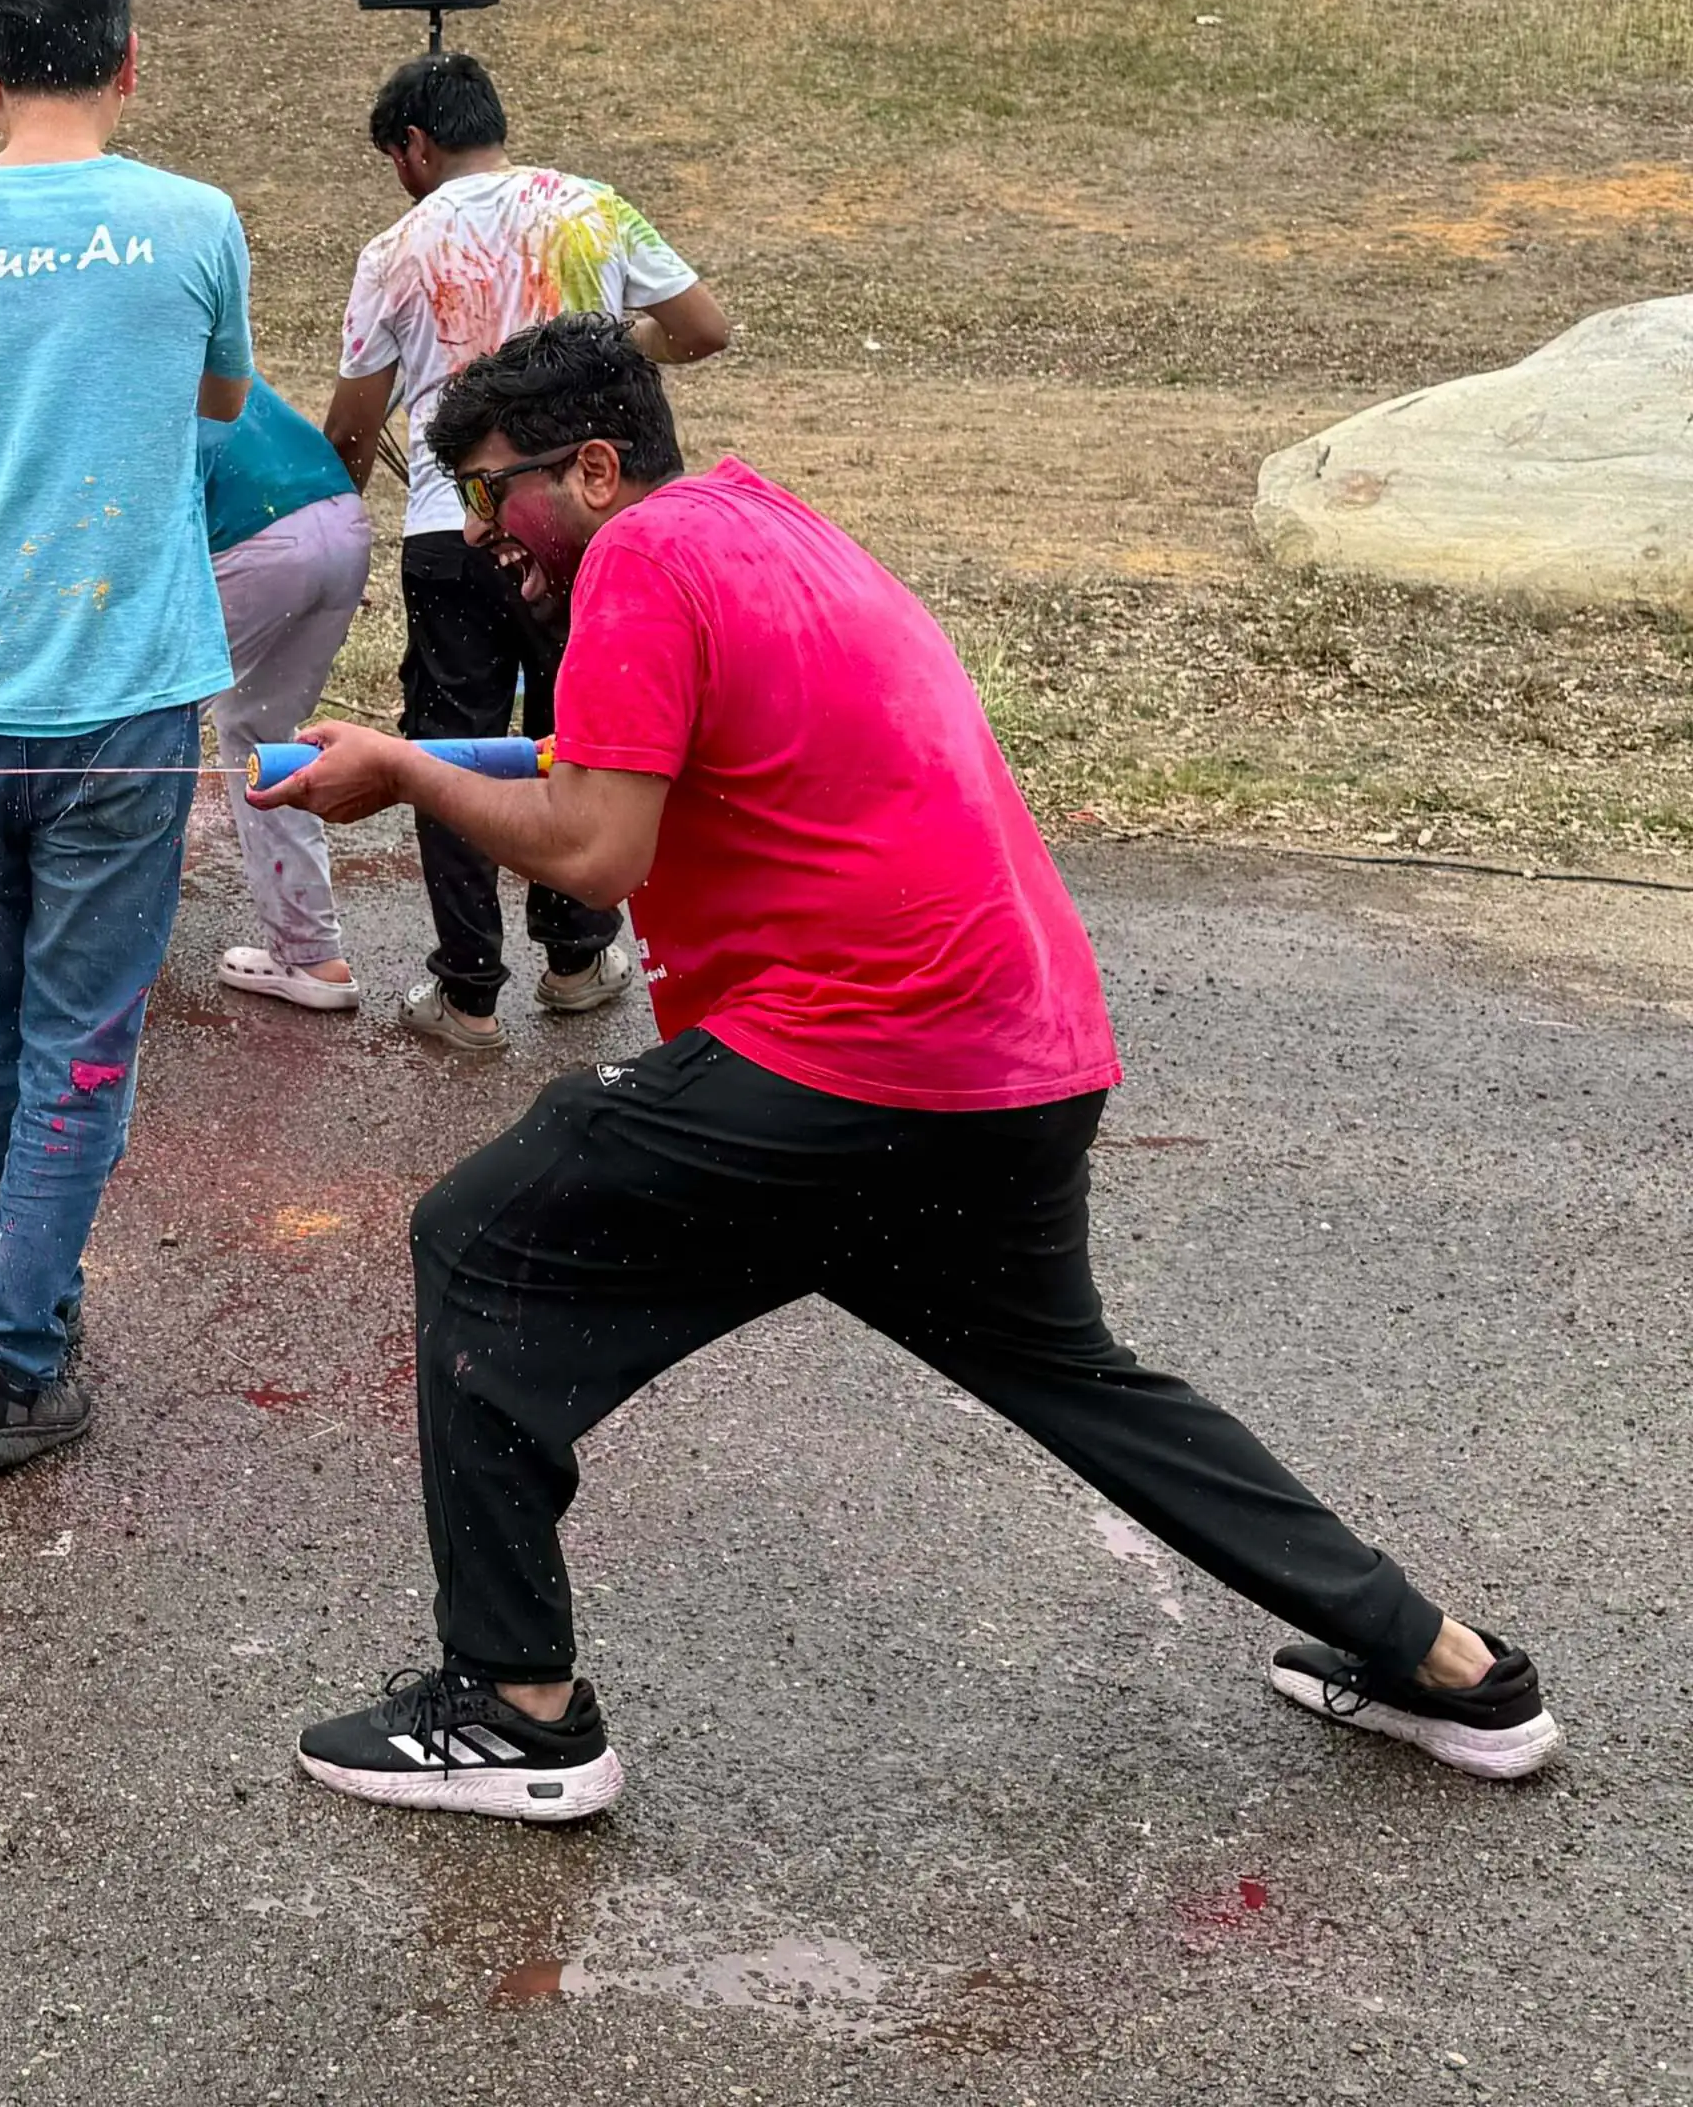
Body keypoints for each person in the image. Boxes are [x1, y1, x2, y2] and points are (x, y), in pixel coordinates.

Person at [271, 317, 1562, 1821]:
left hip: (859, 1059)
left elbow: (597, 849)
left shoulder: (636, 559)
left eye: (498, 495)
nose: (488, 535)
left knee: (479, 1239)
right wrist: (423, 748)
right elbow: (632, 760)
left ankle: (515, 1708)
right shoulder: (771, 529)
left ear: (599, 466)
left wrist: (416, 768)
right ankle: (1454, 1668)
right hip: (1016, 1060)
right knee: (1080, 1378)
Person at [0, 0, 252, 1476]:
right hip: (126, 690)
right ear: (128, 59)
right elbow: (222, 397)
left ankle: (20, 1300)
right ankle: (14, 1350)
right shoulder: (195, 221)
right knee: (81, 1031)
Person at [326, 50, 728, 1055]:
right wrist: (614, 349)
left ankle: (465, 992)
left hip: (446, 526)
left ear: (414, 145)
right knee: (583, 734)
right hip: (588, 530)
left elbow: (352, 421)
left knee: (450, 747)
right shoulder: (590, 208)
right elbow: (704, 328)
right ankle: (579, 954)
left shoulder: (395, 247)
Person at [199, 378, 372, 1011]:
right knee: (263, 735)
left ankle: (86, 941)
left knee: (130, 727)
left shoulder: (112, 362)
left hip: (256, 540)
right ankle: (311, 957)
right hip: (340, 521)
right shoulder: (196, 341)